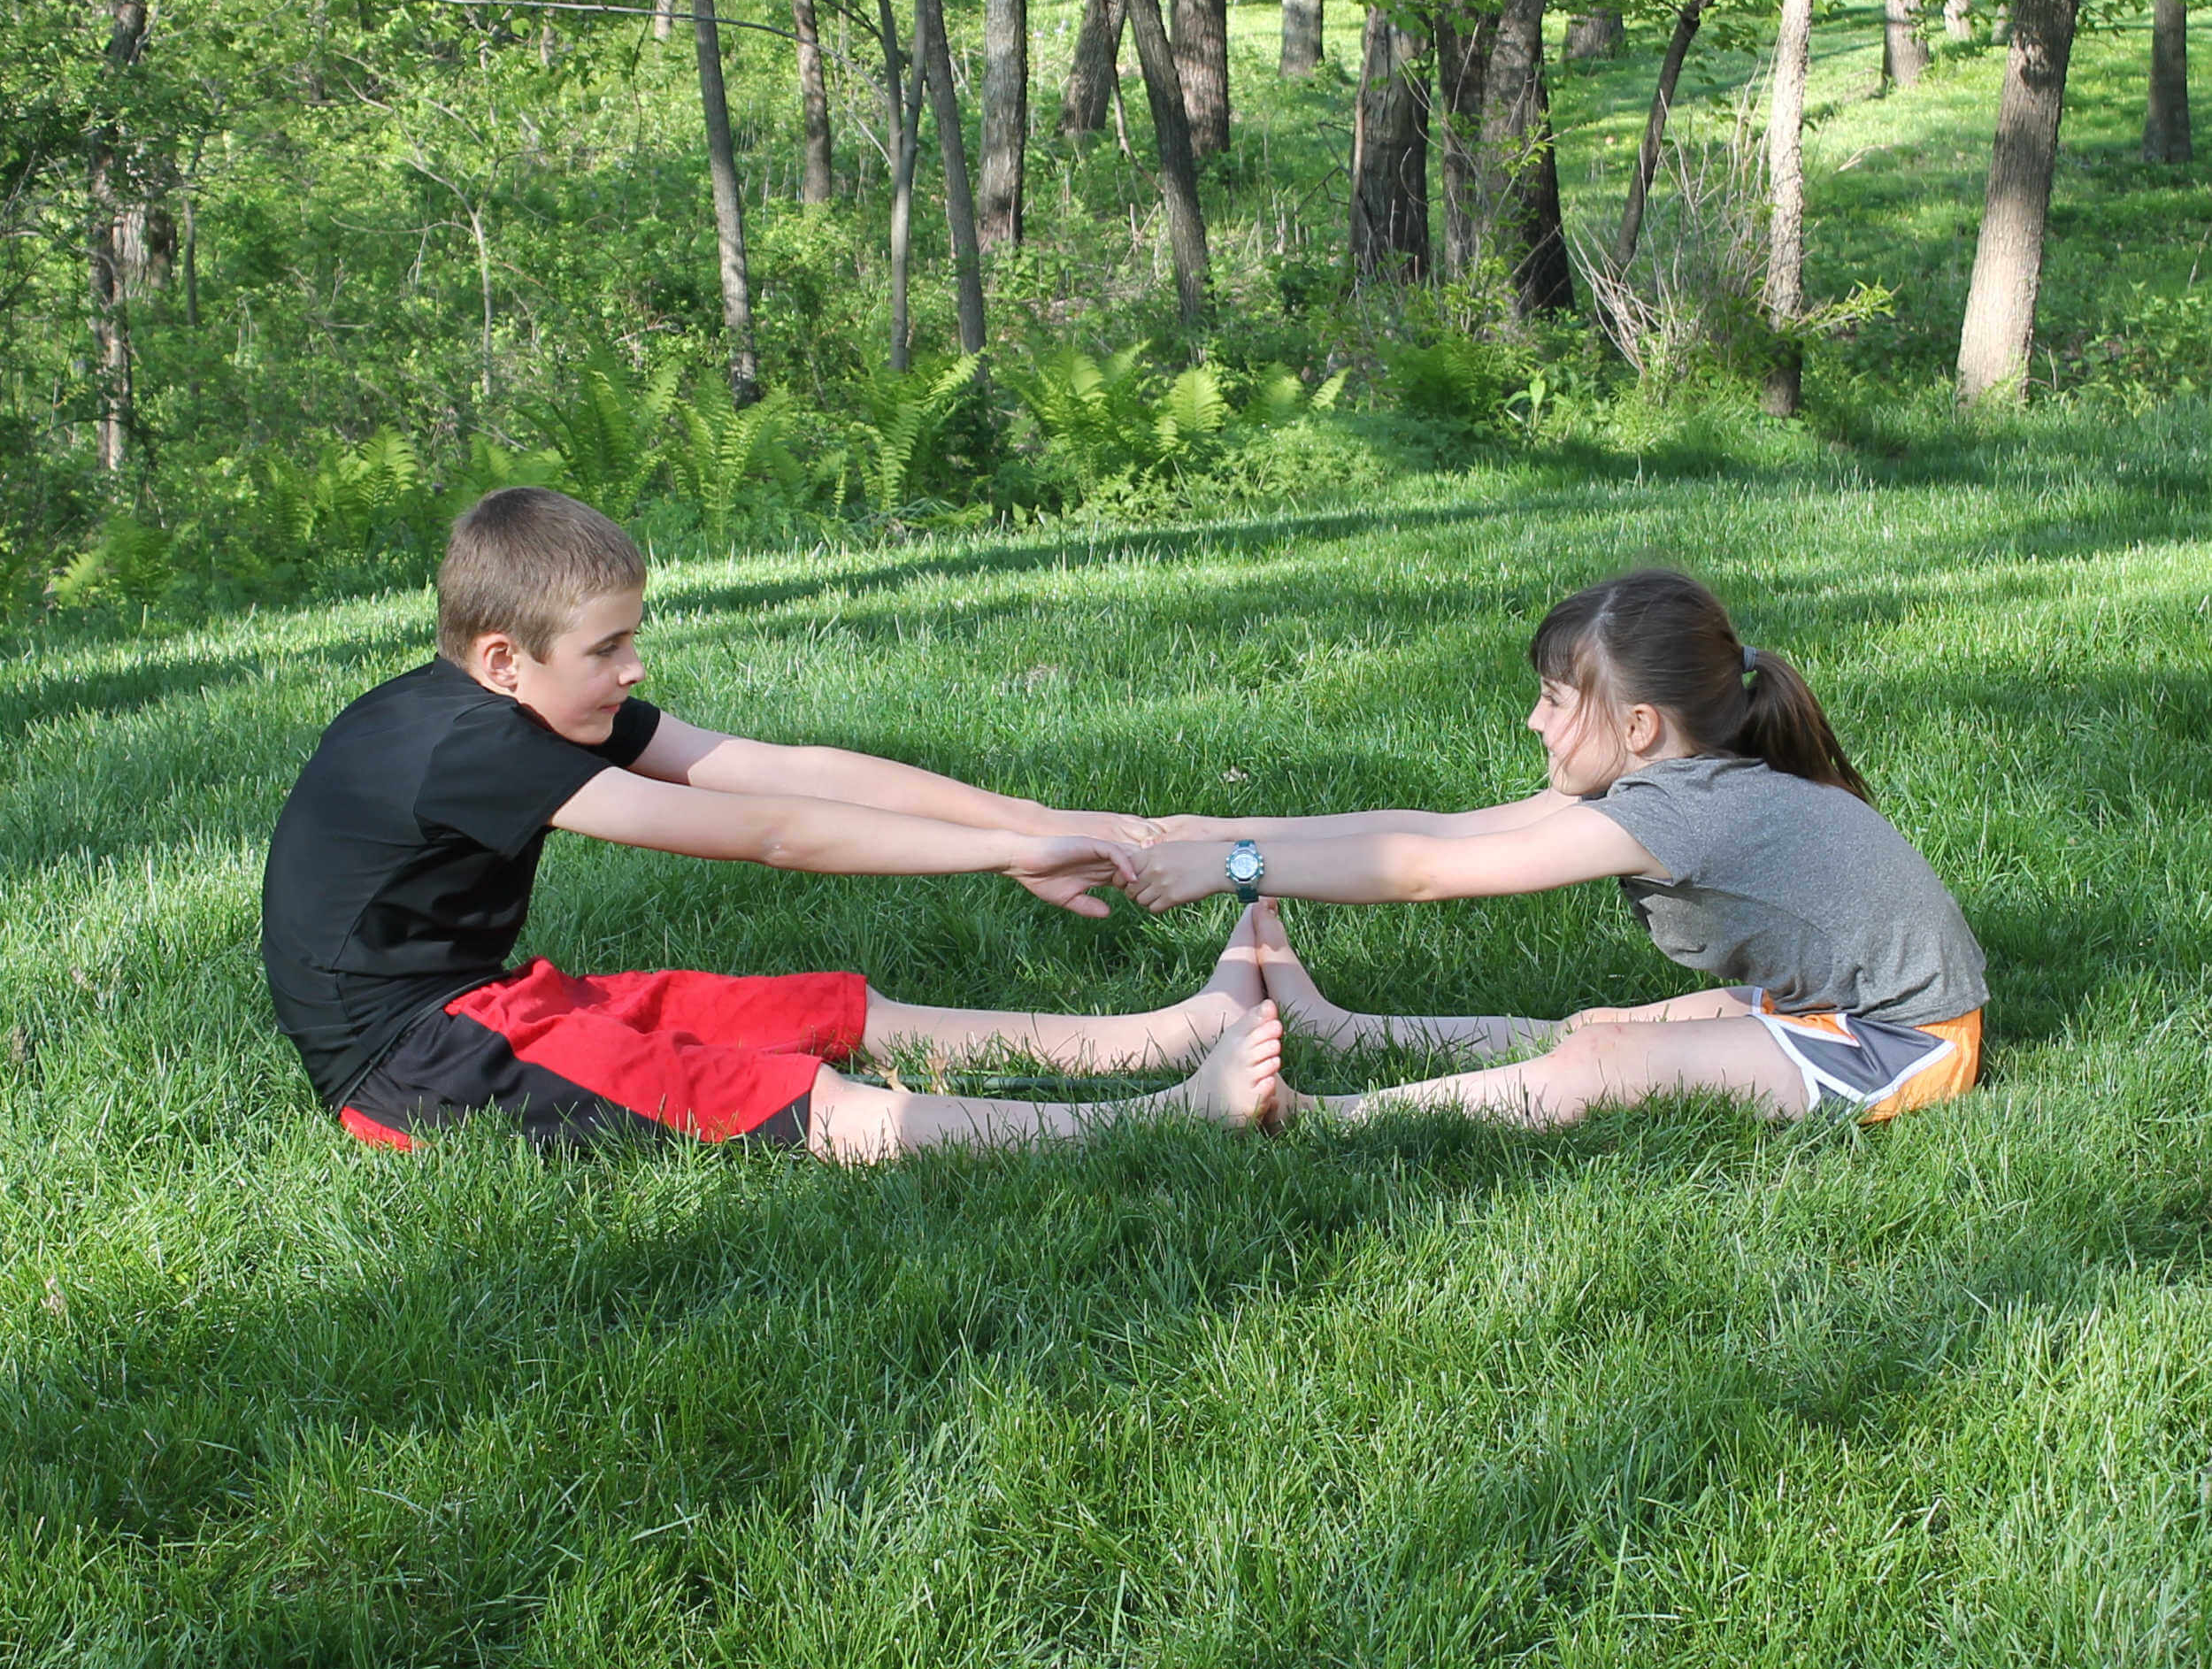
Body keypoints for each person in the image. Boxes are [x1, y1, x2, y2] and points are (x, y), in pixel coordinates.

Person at [262, 486, 1280, 1164]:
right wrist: (1004, 852)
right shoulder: (476, 750)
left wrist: (1036, 819)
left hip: (474, 1005)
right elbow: (774, 829)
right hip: (417, 1070)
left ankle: (1167, 1033)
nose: (634, 668)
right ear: (502, 661)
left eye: (634, 638)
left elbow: (784, 768)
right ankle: (1158, 1114)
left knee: (775, 1006)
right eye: (608, 647)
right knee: (745, 1088)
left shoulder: (504, 706)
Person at [1124, 569, 1986, 1128]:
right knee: (1595, 1024)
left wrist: (1230, 869)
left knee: (1606, 1060)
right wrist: (1222, 834)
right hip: (1820, 1002)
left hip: (1909, 1042)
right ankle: (1343, 1031)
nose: (1535, 719)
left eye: (1552, 699)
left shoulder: (1678, 814)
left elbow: (1426, 874)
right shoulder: (1661, 779)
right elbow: (1437, 829)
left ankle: (1318, 1117)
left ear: (1639, 725)